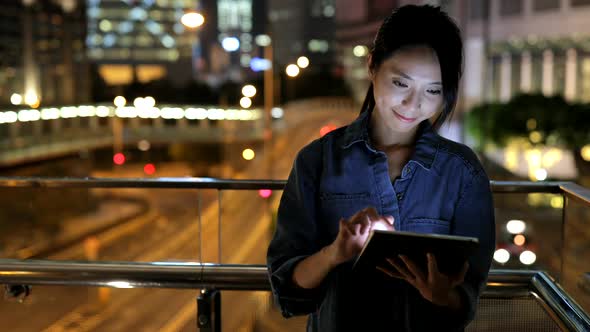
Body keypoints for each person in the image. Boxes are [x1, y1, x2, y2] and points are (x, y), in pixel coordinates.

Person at [267, 4, 496, 332]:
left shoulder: (462, 172)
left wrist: (444, 296)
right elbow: (287, 290)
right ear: (372, 65)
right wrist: (334, 254)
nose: (413, 104)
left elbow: (469, 294)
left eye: (432, 90)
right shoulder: (317, 161)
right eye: (401, 83)